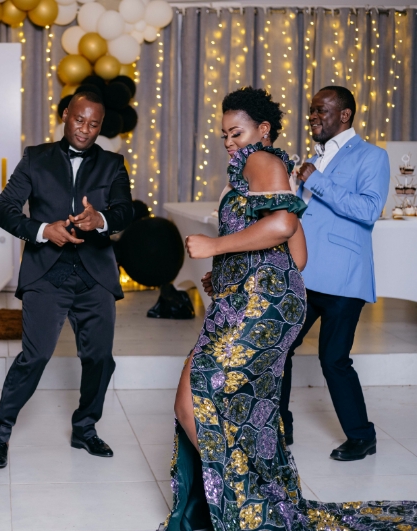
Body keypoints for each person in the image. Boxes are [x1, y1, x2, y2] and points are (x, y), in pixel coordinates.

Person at [159, 87, 415, 531]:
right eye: (224, 135)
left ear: (262, 129)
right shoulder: (262, 167)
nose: (229, 142)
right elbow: (297, 255)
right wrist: (229, 271)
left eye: (236, 132)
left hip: (263, 304)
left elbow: (283, 224)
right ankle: (256, 501)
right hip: (256, 297)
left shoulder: (262, 160)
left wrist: (215, 247)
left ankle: (250, 505)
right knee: (229, 405)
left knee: (195, 399)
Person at [0, 91, 133, 468]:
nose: (85, 129)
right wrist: (41, 230)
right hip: (46, 273)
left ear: (100, 126)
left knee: (100, 358)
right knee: (34, 356)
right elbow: (4, 209)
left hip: (95, 275)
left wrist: (100, 220)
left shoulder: (113, 163)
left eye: (93, 124)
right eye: (79, 120)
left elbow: (125, 211)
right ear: (66, 115)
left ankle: (85, 428)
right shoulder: (36, 158)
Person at [279, 86, 389, 461]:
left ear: (345, 115)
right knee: (282, 347)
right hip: (305, 276)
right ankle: (280, 427)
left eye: (321, 110)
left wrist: (316, 180)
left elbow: (369, 210)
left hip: (344, 279)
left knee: (333, 359)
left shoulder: (372, 156)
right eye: (311, 110)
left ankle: (362, 437)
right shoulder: (313, 159)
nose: (313, 116)